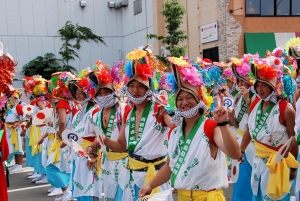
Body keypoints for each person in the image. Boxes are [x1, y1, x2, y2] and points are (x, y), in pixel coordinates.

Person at [139, 56, 243, 201]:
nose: (184, 102)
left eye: (189, 97)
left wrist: (223, 124)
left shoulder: (210, 127)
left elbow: (235, 154)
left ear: (199, 99)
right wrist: (150, 185)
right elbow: (170, 167)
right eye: (180, 99)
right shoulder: (175, 132)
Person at [101, 46, 174, 201]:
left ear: (149, 87)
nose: (135, 90)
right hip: (133, 174)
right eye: (132, 86)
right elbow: (122, 145)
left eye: (141, 86)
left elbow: (175, 128)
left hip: (155, 177)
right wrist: (104, 140)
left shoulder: (158, 108)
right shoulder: (129, 111)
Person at [240, 54, 299, 201]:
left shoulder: (286, 109)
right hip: (257, 162)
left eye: (264, 85)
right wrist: (240, 151)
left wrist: (293, 167)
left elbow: (293, 139)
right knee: (257, 195)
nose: (260, 89)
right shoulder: (254, 104)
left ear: (274, 85)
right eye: (258, 85)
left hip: (278, 164)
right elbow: (249, 129)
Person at [88, 62, 132, 200]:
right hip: (108, 163)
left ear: (114, 90)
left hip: (126, 162)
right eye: (99, 93)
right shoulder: (95, 115)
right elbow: (99, 139)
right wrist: (92, 150)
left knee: (125, 196)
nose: (103, 95)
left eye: (106, 91)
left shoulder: (125, 109)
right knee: (109, 197)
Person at [68, 73, 102, 201]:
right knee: (81, 185)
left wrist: (94, 155)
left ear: (88, 92)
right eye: (75, 92)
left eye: (80, 92)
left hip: (90, 153)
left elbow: (99, 136)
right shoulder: (79, 113)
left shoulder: (95, 110)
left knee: (91, 187)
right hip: (78, 153)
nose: (77, 95)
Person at [229, 55, 257, 201]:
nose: (240, 83)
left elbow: (253, 119)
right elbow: (235, 123)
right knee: (238, 178)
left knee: (247, 178)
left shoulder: (255, 98)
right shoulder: (237, 97)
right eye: (238, 80)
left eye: (243, 81)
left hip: (249, 142)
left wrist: (247, 100)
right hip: (238, 138)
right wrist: (230, 116)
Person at [44, 72, 75, 200]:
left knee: (51, 167)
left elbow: (62, 121)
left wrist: (62, 136)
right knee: (64, 166)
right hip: (70, 137)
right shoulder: (71, 103)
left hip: (63, 140)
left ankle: (67, 191)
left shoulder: (62, 103)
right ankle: (67, 191)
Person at [4, 90, 26, 173]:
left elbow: (26, 117)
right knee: (10, 148)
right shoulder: (7, 107)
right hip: (8, 129)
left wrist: (18, 123)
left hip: (15, 130)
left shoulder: (18, 106)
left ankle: (19, 165)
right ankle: (15, 165)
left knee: (18, 147)